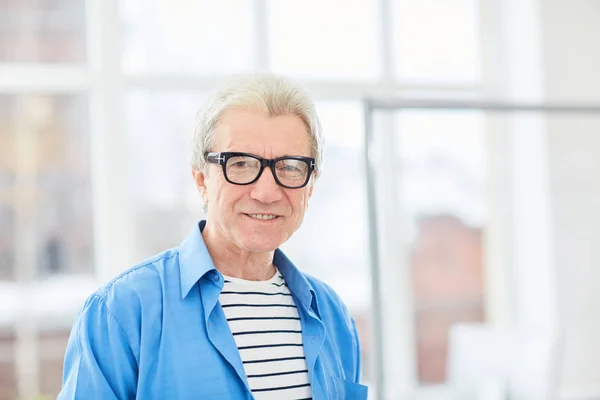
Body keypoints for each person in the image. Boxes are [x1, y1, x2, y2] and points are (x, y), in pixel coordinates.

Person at [58, 73, 367, 399]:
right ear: (202, 180)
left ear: (311, 184)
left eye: (290, 166)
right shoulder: (122, 312)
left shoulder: (334, 316)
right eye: (242, 164)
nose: (266, 192)